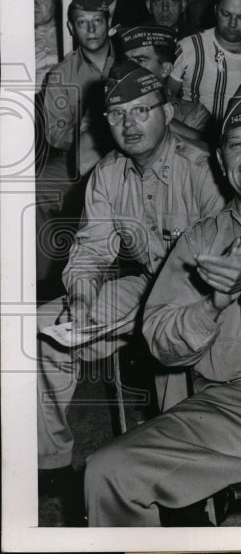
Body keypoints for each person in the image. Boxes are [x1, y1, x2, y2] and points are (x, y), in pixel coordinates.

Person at [84, 87, 241, 526]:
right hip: (226, 409)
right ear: (220, 162)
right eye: (237, 145)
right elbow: (161, 341)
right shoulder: (200, 239)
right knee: (109, 470)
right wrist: (212, 306)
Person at [37, 61, 226, 493]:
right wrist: (82, 298)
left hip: (199, 295)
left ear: (167, 112)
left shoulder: (202, 170)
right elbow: (90, 249)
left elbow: (225, 264)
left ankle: (182, 491)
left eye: (141, 110)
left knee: (174, 373)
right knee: (40, 332)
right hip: (144, 285)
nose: (129, 124)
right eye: (118, 114)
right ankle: (52, 465)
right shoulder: (107, 173)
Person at [41, 0, 117, 180]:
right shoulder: (61, 74)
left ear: (109, 23)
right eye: (82, 22)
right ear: (71, 27)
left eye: (98, 21)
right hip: (84, 155)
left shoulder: (131, 58)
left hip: (134, 152)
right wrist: (89, 131)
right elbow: (55, 133)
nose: (91, 29)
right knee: (38, 186)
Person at [117, 25, 212, 139]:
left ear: (166, 69)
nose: (129, 68)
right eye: (126, 61)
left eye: (140, 60)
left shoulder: (194, 114)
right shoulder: (116, 109)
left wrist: (158, 116)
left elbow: (206, 148)